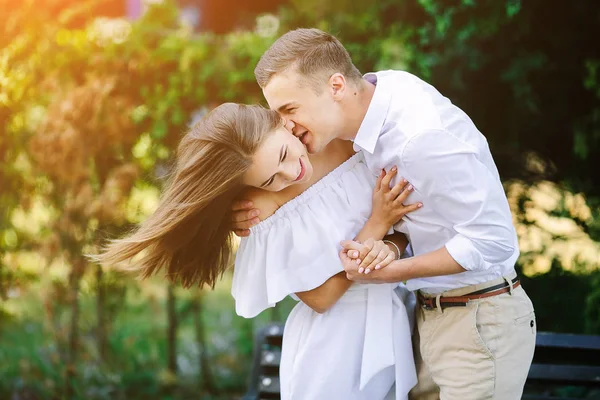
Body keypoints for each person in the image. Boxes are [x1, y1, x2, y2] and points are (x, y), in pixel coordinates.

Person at [231, 28, 536, 399]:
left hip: (477, 318)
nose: (287, 125)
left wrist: (392, 271)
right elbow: (416, 217)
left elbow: (494, 240)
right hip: (429, 318)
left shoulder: (417, 138)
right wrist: (231, 207)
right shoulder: (380, 100)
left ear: (337, 86)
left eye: (290, 110)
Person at [93, 103, 420, 399]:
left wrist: (389, 241)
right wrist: (377, 225)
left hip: (396, 316)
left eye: (281, 156)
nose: (290, 173)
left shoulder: (348, 141)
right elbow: (321, 298)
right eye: (269, 180)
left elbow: (402, 230)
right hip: (334, 347)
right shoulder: (262, 209)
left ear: (282, 121)